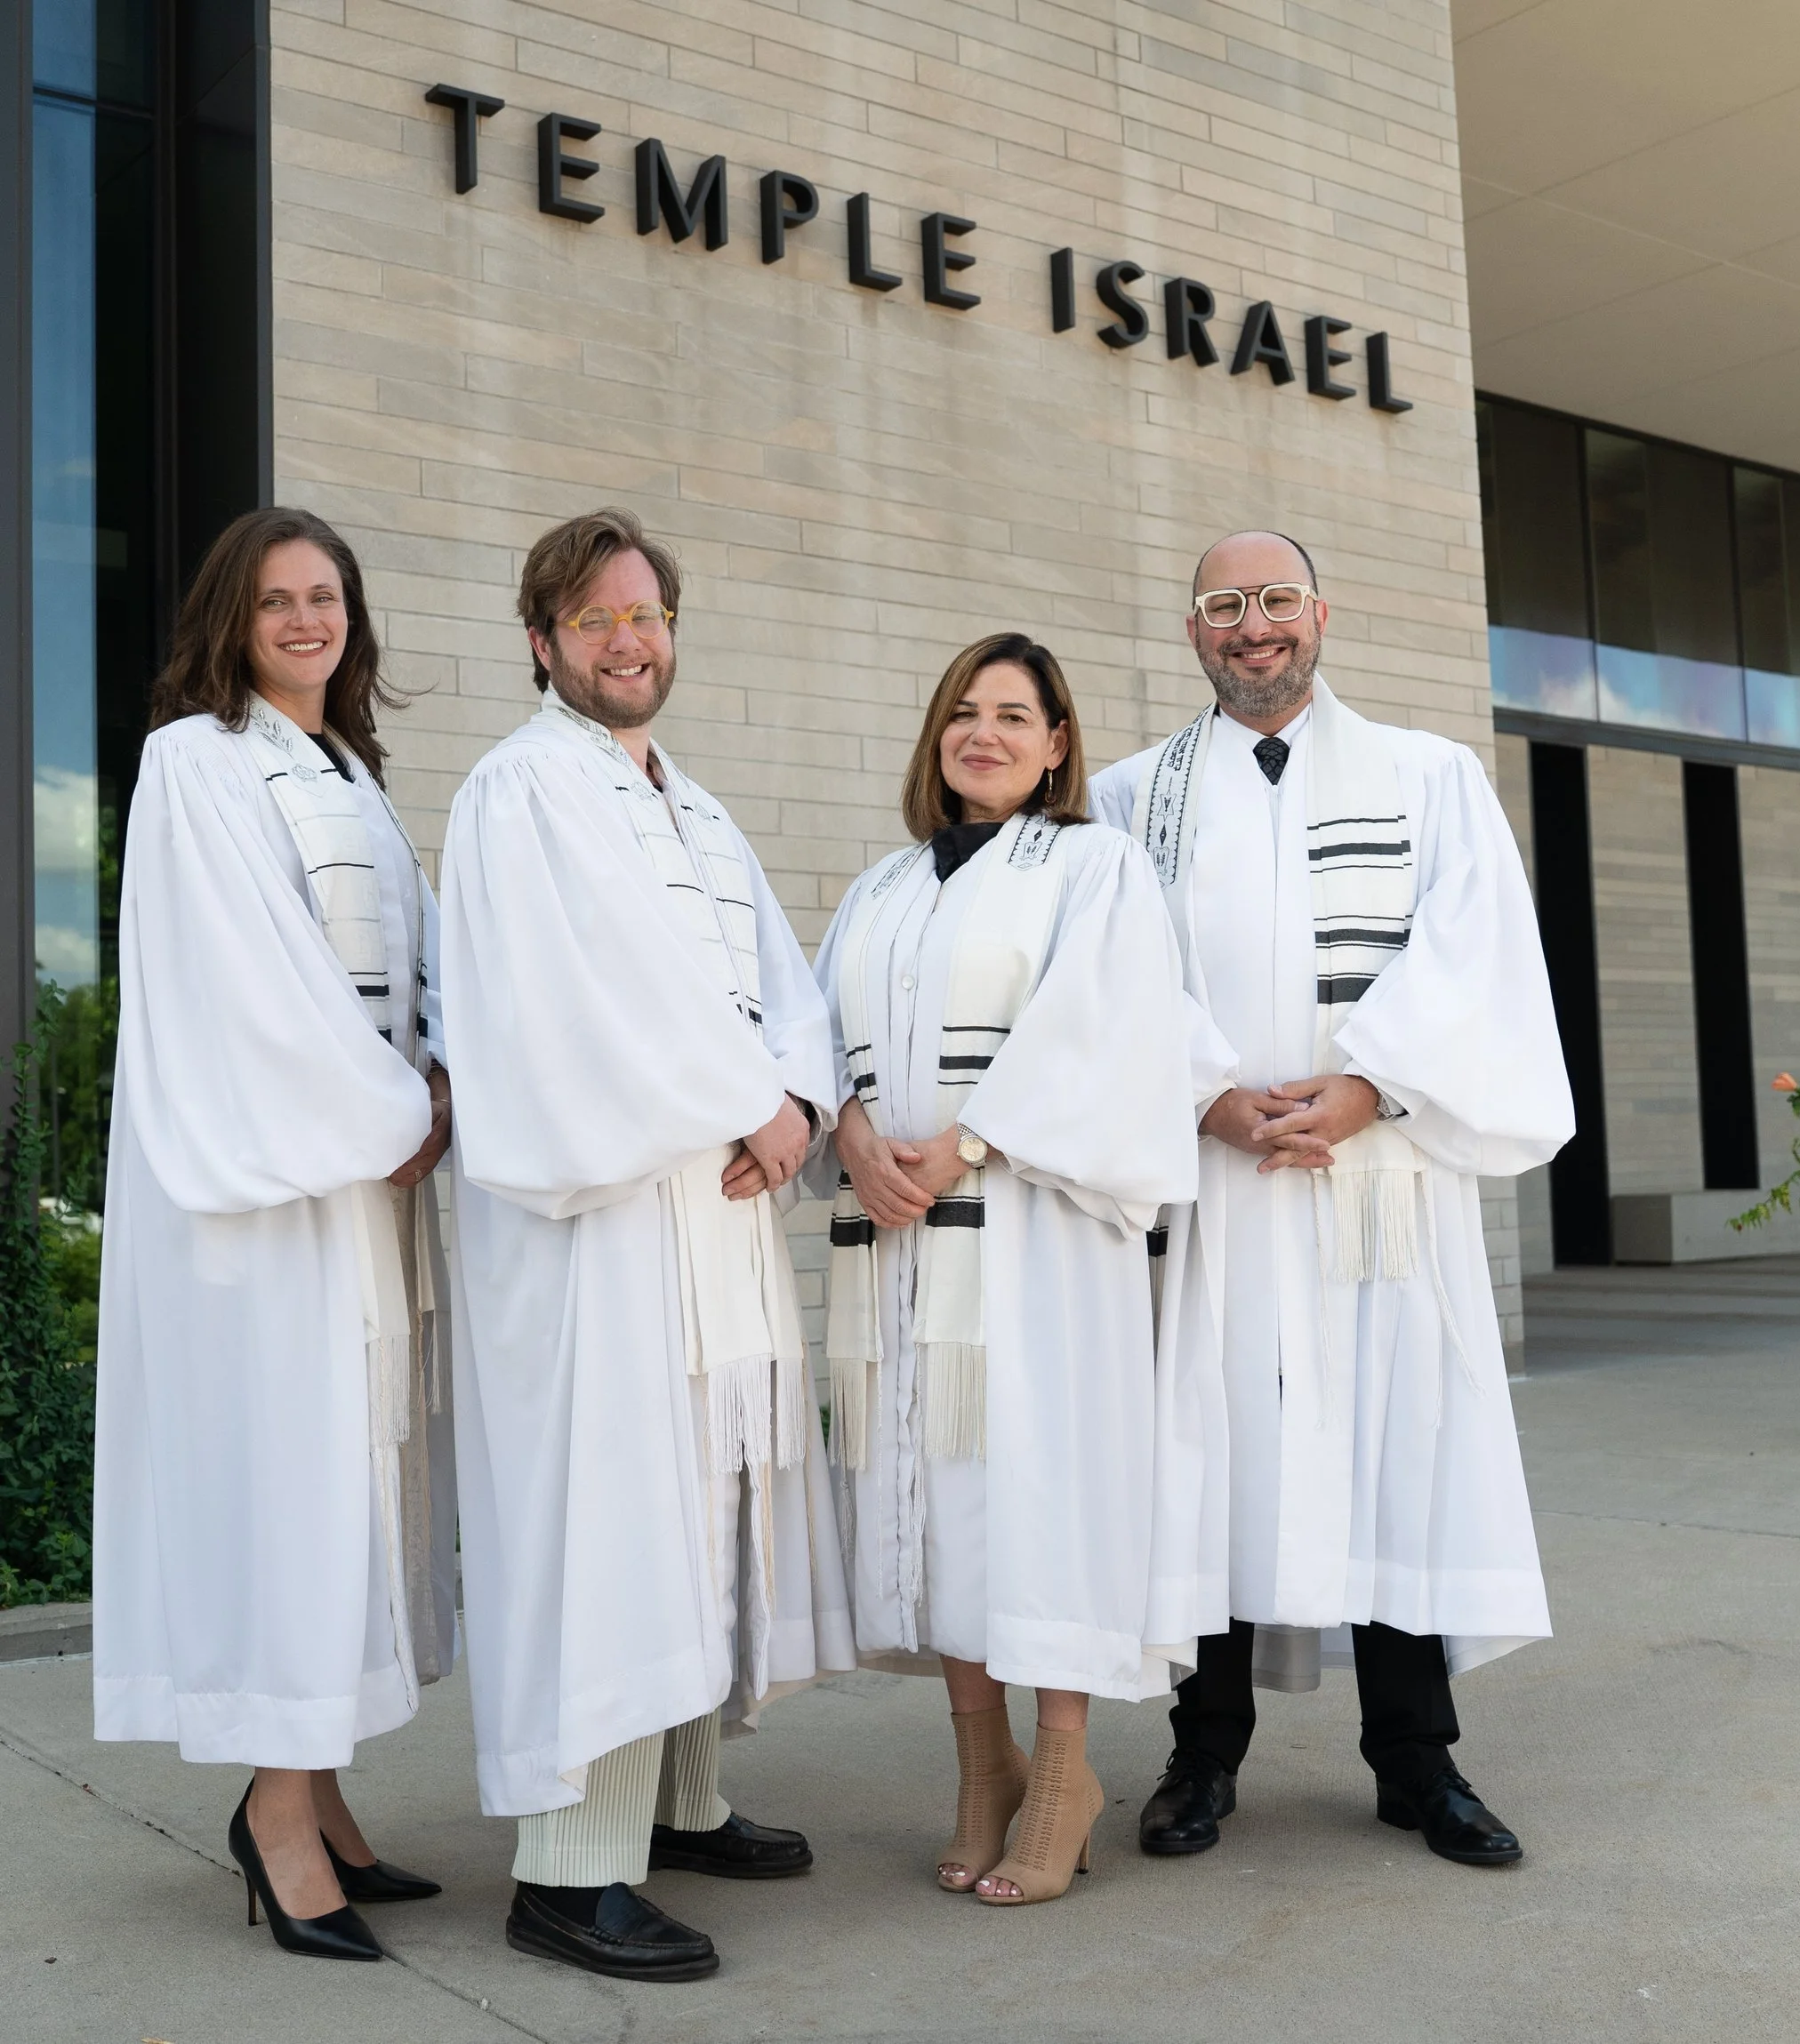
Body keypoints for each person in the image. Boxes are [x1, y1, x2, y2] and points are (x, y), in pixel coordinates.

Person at [1091, 531, 1574, 1869]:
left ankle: (1418, 1763)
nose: (1257, 627)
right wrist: (1209, 1092)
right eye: (1226, 606)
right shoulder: (1139, 797)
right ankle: (1203, 1754)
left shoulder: (1432, 777)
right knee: (1216, 1452)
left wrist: (1365, 1086)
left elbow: (1474, 952)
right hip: (1225, 1184)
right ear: (1194, 629)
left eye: (1279, 600)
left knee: (1394, 1450)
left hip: (1379, 1184)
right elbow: (1114, 975)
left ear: (1323, 612)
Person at [440, 509, 855, 1983]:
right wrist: (761, 1102)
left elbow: (781, 980)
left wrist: (801, 1099)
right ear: (543, 638)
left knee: (706, 1490)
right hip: (606, 1229)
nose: (633, 641)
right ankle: (568, 1868)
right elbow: (588, 1003)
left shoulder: (694, 802)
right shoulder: (523, 793)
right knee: (612, 1519)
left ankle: (681, 1801)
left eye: (652, 616)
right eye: (600, 618)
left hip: (720, 1198)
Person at [94, 508, 454, 1961]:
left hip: (362, 1172)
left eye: (327, 597)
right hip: (271, 1194)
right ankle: (277, 1816)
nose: (307, 618)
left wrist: (437, 1080)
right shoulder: (198, 762)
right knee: (297, 1488)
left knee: (359, 1489)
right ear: (231, 621)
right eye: (277, 600)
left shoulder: (352, 775)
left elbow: (415, 968)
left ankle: (327, 1789)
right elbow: (243, 982)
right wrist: (390, 1110)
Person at [815, 632, 1197, 1905]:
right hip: (903, 1237)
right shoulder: (879, 887)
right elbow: (825, 1047)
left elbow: (1113, 1030)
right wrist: (858, 1136)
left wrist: (970, 1141)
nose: (984, 732)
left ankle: (1069, 1768)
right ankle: (985, 1774)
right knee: (939, 1500)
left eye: (1014, 715)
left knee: (1037, 1494)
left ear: (1057, 745)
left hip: (1032, 1244)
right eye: (963, 713)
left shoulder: (1094, 867)